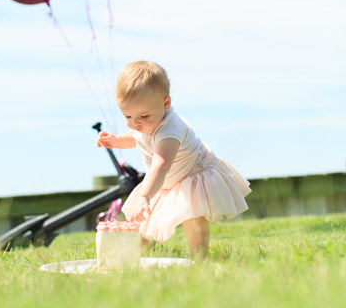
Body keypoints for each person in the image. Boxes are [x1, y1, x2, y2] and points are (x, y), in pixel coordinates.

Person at [96, 60, 251, 260]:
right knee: (146, 220)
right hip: (168, 181)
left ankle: (199, 257)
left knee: (192, 213)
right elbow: (135, 138)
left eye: (143, 115)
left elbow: (161, 164)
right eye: (128, 116)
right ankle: (140, 256)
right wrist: (116, 141)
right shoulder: (144, 124)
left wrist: (144, 195)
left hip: (193, 173)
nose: (136, 123)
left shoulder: (170, 130)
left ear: (165, 103)